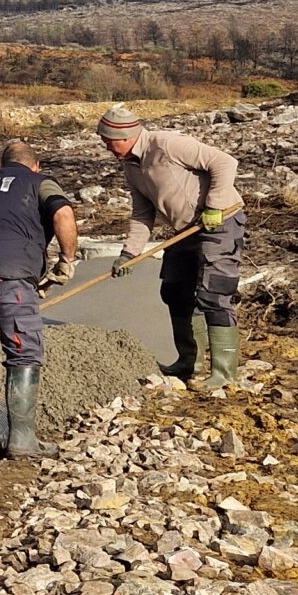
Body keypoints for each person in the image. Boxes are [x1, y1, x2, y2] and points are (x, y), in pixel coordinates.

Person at [98, 104, 247, 393]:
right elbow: (143, 213)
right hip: (185, 230)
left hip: (220, 220)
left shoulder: (167, 144)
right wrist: (129, 253)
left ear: (126, 135)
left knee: (214, 294)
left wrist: (215, 206)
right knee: (175, 291)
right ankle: (189, 363)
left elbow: (225, 162)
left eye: (108, 141)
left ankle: (224, 372)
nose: (106, 147)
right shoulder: (131, 166)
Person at [0, 140, 80, 458]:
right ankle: (22, 440)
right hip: (7, 270)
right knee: (25, 349)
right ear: (36, 165)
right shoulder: (39, 181)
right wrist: (68, 260)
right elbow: (63, 213)